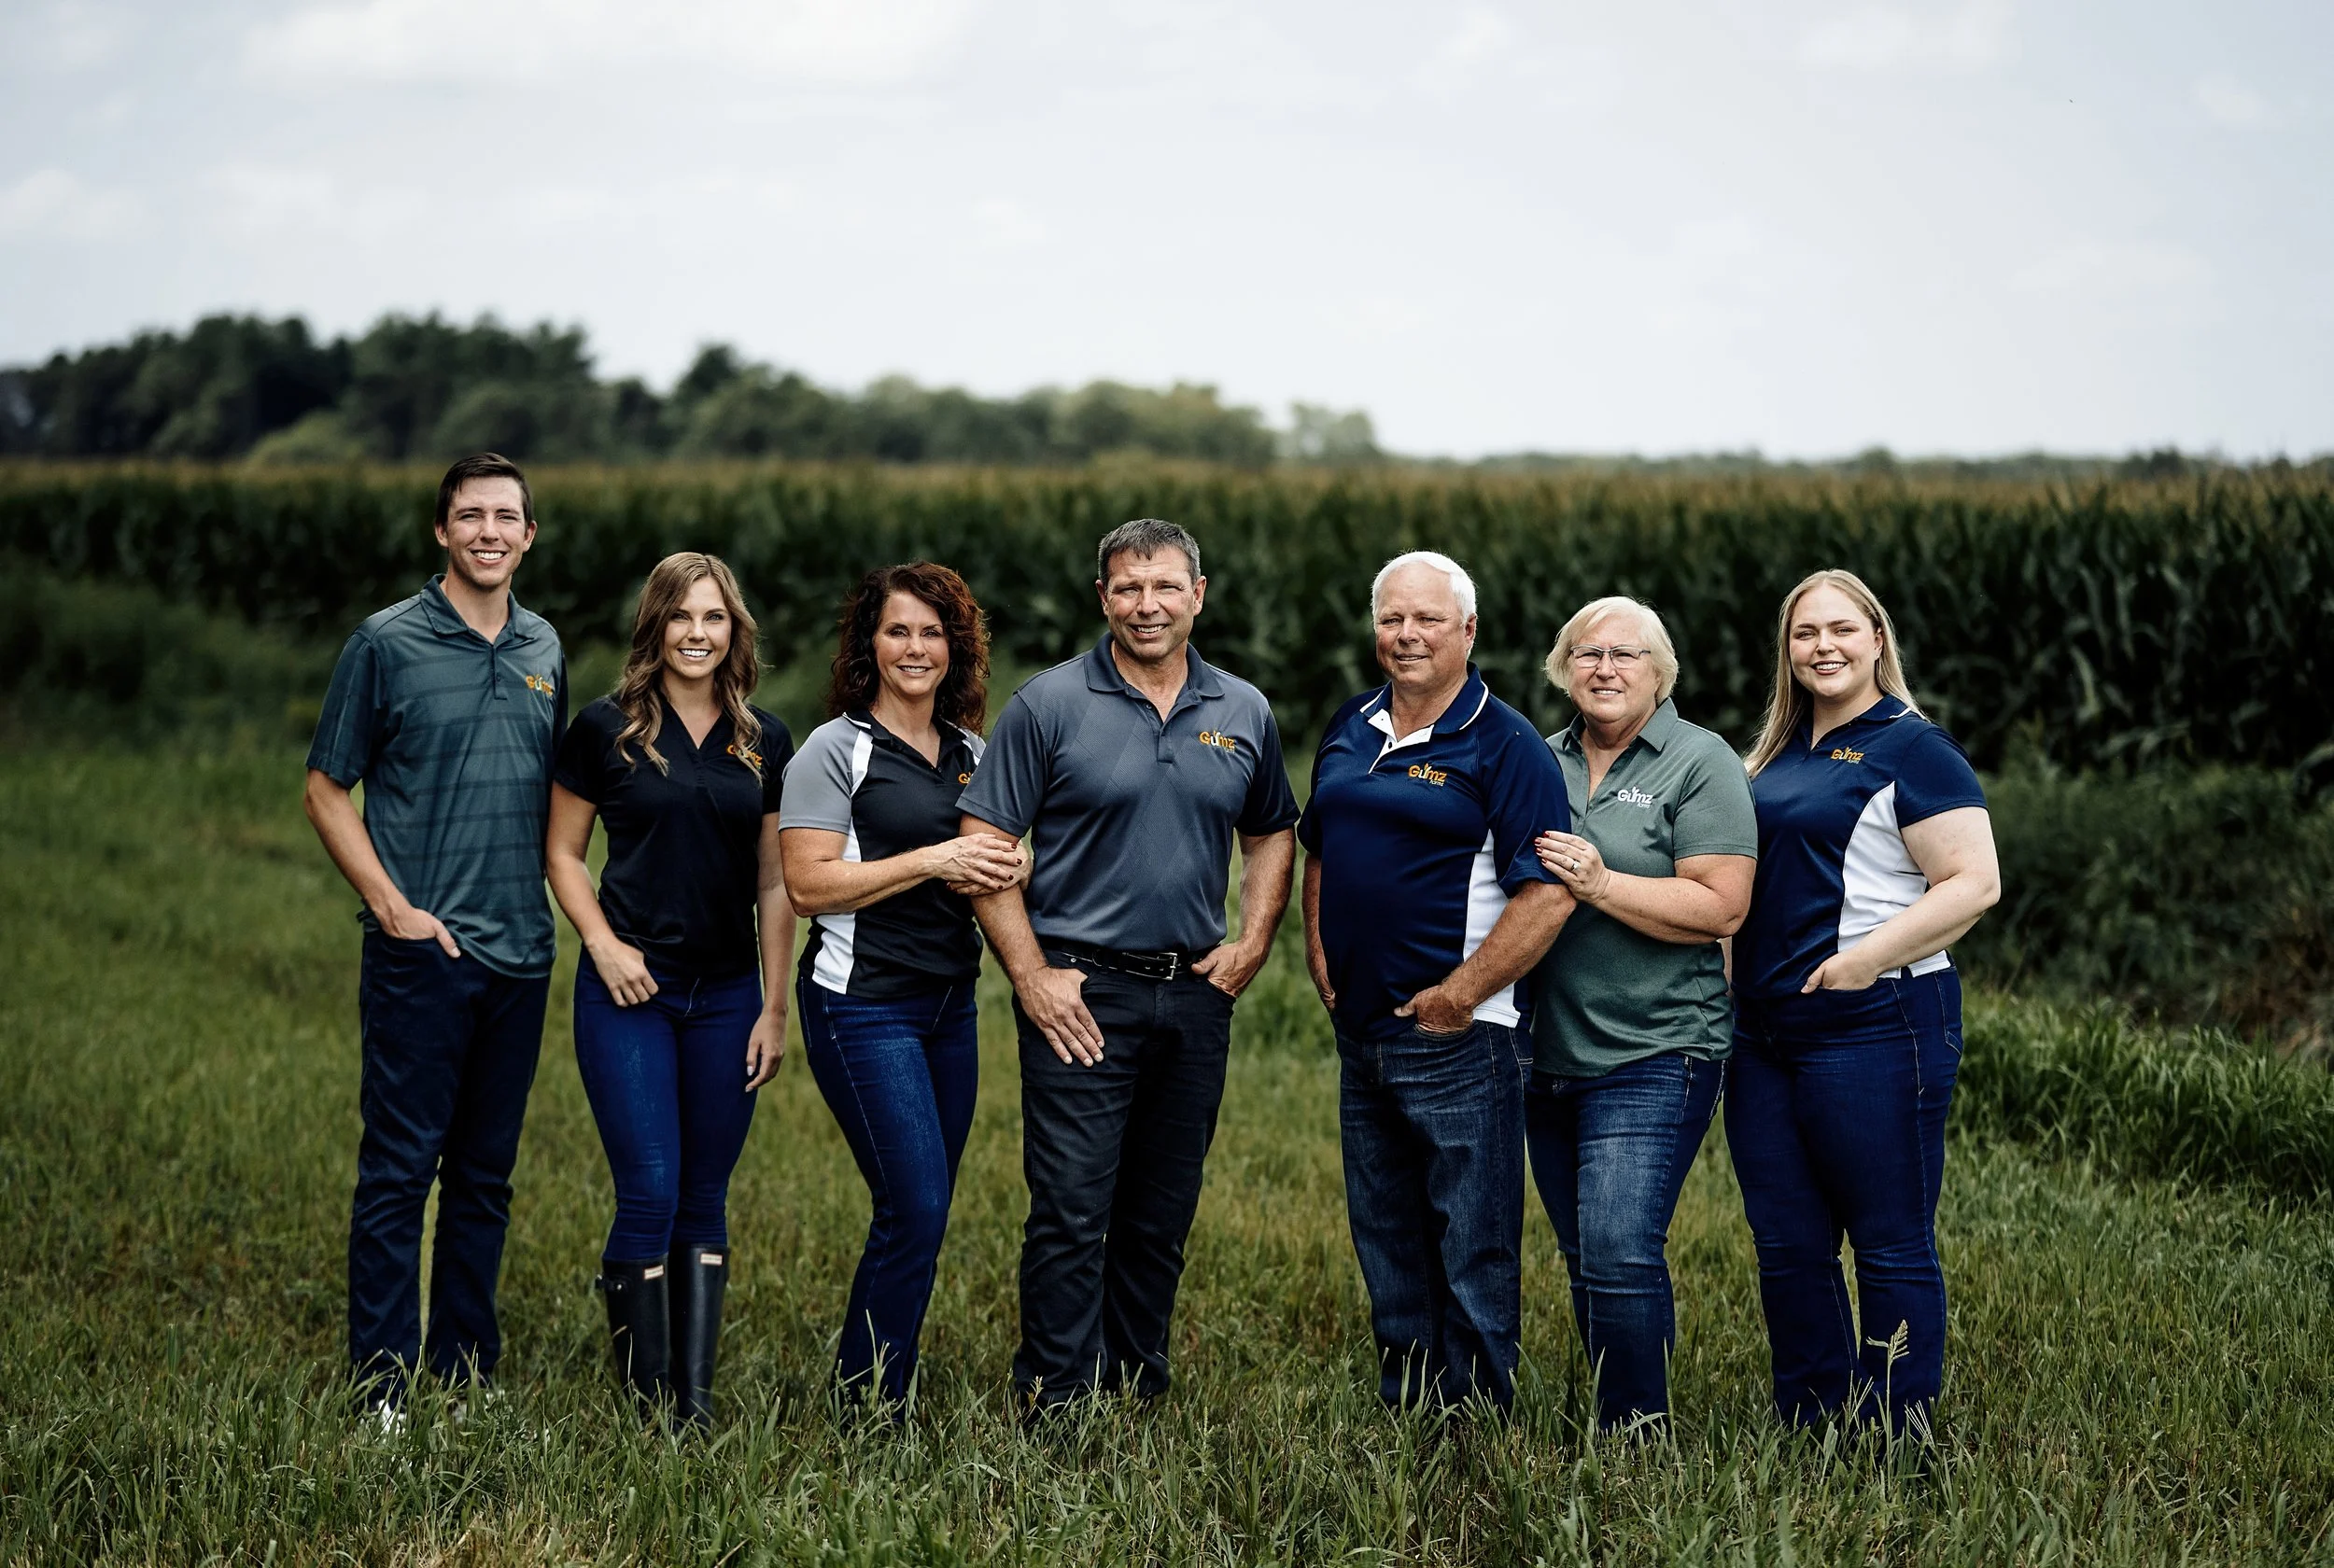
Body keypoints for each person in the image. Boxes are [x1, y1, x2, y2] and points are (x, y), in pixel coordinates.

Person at [957, 518, 1299, 1416]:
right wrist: (1032, 976)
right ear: (1102, 598)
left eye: (1165, 587)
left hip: (1194, 993)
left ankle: (1136, 1384)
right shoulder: (1049, 704)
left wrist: (1255, 938)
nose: (1147, 605)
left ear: (1198, 593)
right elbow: (985, 844)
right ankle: (1057, 1401)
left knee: (1159, 1212)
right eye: (1128, 588)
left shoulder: (1243, 710)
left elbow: (1269, 832)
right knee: (1071, 1210)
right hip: (1080, 989)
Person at [302, 453, 567, 1422]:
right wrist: (391, 909)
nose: (489, 531)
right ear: (442, 531)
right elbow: (326, 789)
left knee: (485, 1178)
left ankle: (463, 1376)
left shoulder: (543, 647)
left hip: (522, 955)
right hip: (423, 955)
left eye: (506, 516)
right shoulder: (384, 644)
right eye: (470, 516)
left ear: (528, 535)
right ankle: (380, 1388)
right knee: (400, 1173)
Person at [1298, 551, 1575, 1416]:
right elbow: (1322, 845)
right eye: (1391, 619)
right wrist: (1317, 950)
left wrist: (1460, 994)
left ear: (1468, 630)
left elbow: (1548, 891)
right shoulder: (1353, 722)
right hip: (1365, 1033)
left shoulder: (1506, 742)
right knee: (1386, 1232)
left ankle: (1483, 1420)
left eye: (1426, 619)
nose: (1407, 635)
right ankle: (1411, 1407)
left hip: (1461, 1037)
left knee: (1473, 1241)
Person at [1727, 568, 2001, 1437]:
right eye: (1806, 634)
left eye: (1842, 630)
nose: (1824, 648)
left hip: (1876, 1024)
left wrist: (1860, 963)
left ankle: (1897, 1432)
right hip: (1766, 1035)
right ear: (1788, 651)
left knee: (1888, 1242)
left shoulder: (1913, 747)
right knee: (1789, 1245)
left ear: (1878, 639)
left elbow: (1976, 882)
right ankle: (1812, 1423)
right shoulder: (1777, 752)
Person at [545, 552, 795, 1430]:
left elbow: (775, 880)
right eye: (682, 618)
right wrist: (604, 945)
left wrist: (774, 1004)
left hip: (728, 996)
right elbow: (563, 855)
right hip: (631, 992)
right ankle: (646, 1407)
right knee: (650, 1186)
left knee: (705, 1196)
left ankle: (691, 1402)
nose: (698, 634)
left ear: (735, 631)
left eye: (715, 618)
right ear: (655, 626)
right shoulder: (604, 728)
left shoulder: (765, 738)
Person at [780, 563, 1026, 1413]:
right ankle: (868, 1409)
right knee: (914, 1206)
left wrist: (1014, 859)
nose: (915, 648)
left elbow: (993, 865)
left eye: (933, 632)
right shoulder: (834, 748)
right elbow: (809, 885)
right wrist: (934, 859)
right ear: (869, 646)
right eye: (898, 631)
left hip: (950, 1008)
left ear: (955, 648)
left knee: (926, 1209)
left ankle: (885, 1384)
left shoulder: (972, 754)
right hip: (861, 1005)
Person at [1523, 596, 1757, 1434]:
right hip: (1544, 1050)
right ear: (1563, 668)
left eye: (1626, 654)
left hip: (1659, 1046)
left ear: (1660, 673)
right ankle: (1612, 1409)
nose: (1605, 668)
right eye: (1587, 653)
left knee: (1620, 1247)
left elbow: (1722, 906)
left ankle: (1636, 1437)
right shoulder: (1536, 759)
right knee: (1586, 1256)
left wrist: (1603, 885)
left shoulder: (1700, 761)